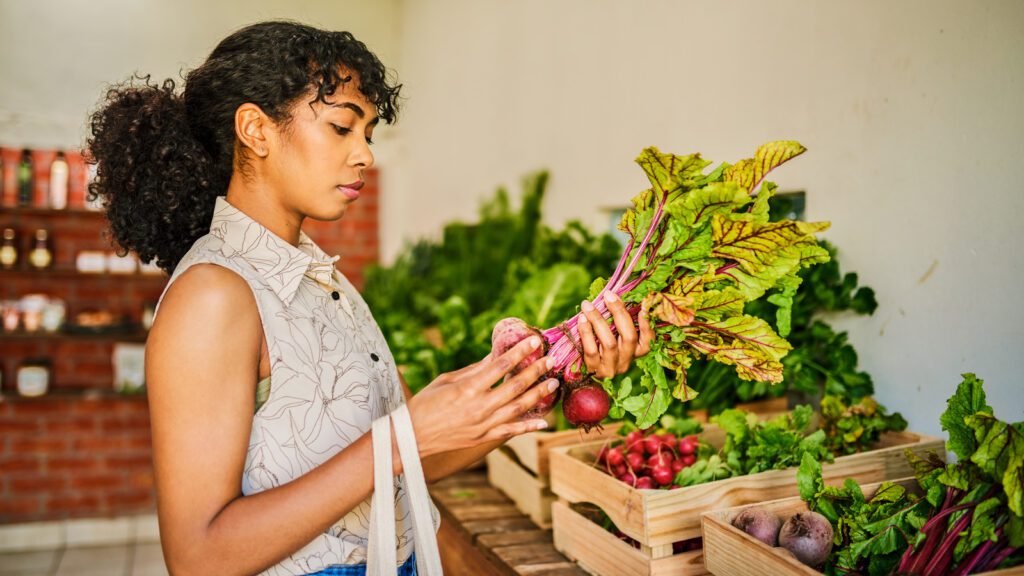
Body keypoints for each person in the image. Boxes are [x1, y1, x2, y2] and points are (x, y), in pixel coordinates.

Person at [87, 21, 652, 576]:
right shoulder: (212, 295)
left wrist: (547, 384)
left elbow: (415, 459)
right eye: (341, 128)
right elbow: (198, 557)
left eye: (369, 134)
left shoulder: (320, 276)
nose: (365, 155)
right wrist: (403, 434)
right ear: (255, 131)